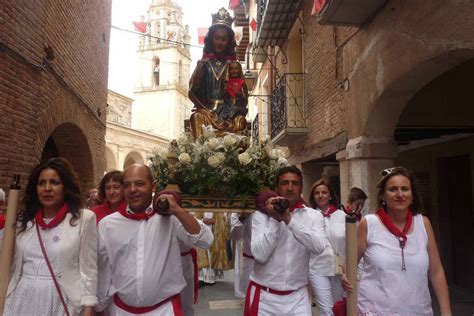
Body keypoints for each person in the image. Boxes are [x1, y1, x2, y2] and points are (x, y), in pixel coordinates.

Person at [96, 164, 213, 315]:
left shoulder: (171, 218)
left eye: (139, 184)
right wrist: (100, 306)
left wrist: (177, 210)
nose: (132, 190)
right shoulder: (107, 225)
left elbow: (205, 240)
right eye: (127, 185)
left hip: (163, 310)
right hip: (121, 311)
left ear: (153, 186)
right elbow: (104, 271)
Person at [343, 166, 452, 315]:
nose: (400, 194)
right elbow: (349, 265)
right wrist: (345, 277)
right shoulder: (369, 224)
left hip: (418, 311)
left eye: (405, 189)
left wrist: (446, 311)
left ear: (412, 195)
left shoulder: (423, 223)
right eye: (393, 189)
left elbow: (436, 271)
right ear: (382, 195)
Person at [4, 157, 97, 315]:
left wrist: (88, 308)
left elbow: (89, 270)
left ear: (66, 187)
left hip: (60, 300)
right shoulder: (21, 221)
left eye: (55, 182)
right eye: (41, 183)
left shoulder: (83, 219)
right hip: (20, 298)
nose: (47, 188)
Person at [244, 165, 326, 315]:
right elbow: (260, 255)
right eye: (284, 183)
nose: (289, 188)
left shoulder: (314, 216)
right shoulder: (260, 216)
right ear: (276, 187)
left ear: (301, 187)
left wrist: (289, 220)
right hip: (265, 298)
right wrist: (275, 219)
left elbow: (319, 246)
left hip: (298, 296)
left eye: (294, 183)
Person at [188, 7, 247, 138]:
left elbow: (243, 95)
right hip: (206, 110)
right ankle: (201, 154)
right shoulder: (204, 63)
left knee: (240, 122)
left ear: (229, 41)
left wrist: (236, 102)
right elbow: (192, 91)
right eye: (217, 38)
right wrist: (199, 70)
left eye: (224, 39)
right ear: (211, 39)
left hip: (228, 111)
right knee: (196, 117)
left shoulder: (233, 66)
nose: (220, 43)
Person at [307, 179, 345, 315]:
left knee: (337, 306)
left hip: (338, 269)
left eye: (324, 192)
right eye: (317, 193)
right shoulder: (308, 217)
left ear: (330, 195)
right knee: (326, 310)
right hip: (317, 268)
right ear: (313, 196)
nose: (320, 195)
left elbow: (350, 243)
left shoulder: (342, 216)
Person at [230, 211, 253, 298]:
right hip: (249, 259)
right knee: (249, 295)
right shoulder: (237, 211)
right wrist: (242, 218)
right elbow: (235, 236)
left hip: (271, 263)